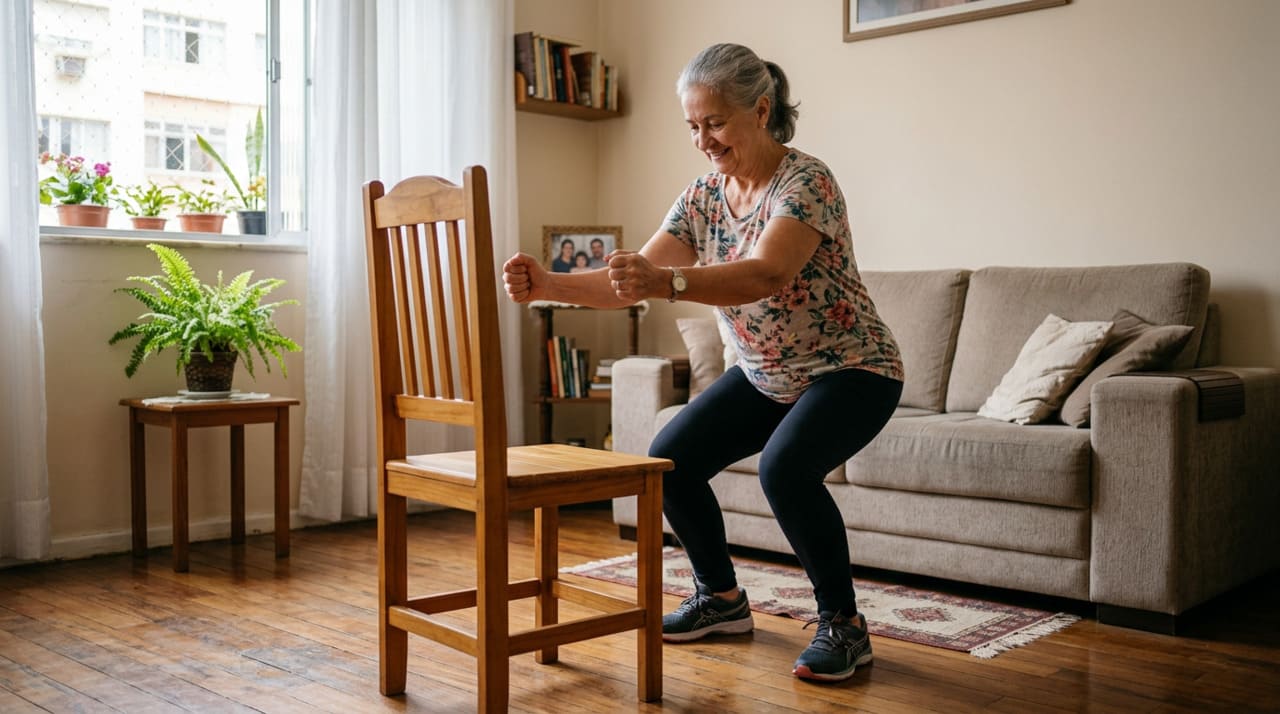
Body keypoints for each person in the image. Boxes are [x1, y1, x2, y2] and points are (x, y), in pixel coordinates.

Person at [502, 43, 903, 683]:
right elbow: (627, 281)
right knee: (671, 464)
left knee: (786, 469)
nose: (703, 140)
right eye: (693, 126)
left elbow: (768, 272)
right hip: (767, 375)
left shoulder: (806, 182)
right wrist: (547, 283)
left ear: (761, 109)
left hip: (852, 369)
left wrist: (668, 284)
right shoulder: (701, 198)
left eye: (714, 122)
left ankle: (845, 626)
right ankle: (720, 599)